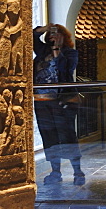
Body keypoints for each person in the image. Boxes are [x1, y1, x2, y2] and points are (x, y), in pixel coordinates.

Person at [33, 23, 84, 185]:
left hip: (64, 101)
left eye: (57, 34)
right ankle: (55, 172)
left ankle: (77, 171)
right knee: (49, 136)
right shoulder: (42, 52)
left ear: (64, 37)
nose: (53, 37)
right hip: (42, 101)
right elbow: (31, 37)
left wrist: (57, 49)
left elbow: (65, 69)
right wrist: (45, 29)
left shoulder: (70, 53)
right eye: (51, 35)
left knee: (67, 135)